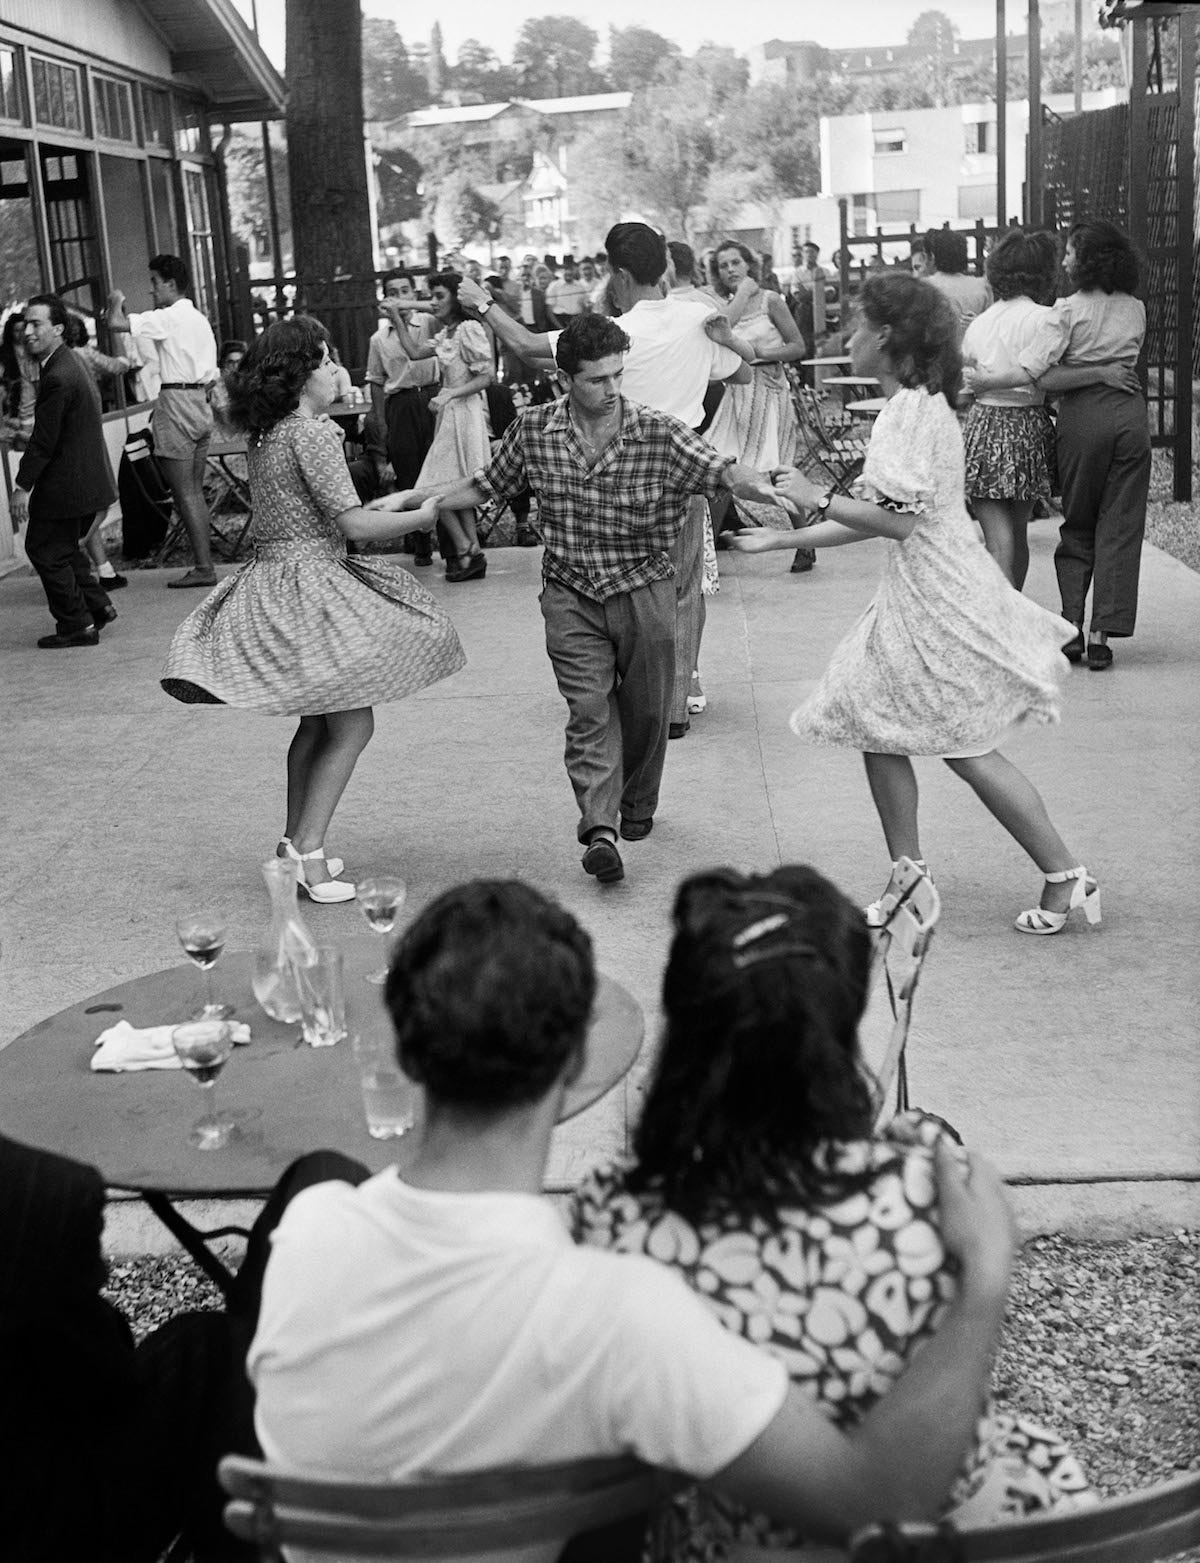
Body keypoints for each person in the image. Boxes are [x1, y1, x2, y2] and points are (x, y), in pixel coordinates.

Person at [248, 877, 1017, 1551]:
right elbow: (876, 1505)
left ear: (409, 1055)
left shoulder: (307, 1228)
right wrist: (983, 1277)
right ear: (578, 1063)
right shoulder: (617, 1314)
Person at [572, 863, 1093, 1560]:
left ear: (686, 1025)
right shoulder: (935, 1193)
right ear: (840, 1027)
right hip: (965, 1535)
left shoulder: (616, 1219)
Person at [730, 273, 1101, 937]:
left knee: (966, 745)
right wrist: (785, 535)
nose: (846, 337)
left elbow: (892, 520)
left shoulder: (910, 413)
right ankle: (914, 876)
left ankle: (1063, 875)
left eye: (855, 324)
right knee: (879, 723)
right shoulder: (914, 406)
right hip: (924, 591)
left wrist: (815, 496)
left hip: (937, 598)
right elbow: (882, 516)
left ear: (887, 338)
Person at [380, 313, 767, 884]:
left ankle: (636, 806)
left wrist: (769, 486)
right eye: (597, 379)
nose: (612, 390)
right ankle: (599, 829)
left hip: (645, 589)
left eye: (618, 376)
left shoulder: (658, 432)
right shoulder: (535, 430)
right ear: (564, 380)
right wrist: (422, 499)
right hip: (571, 594)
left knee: (648, 712)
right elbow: (487, 485)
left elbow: (726, 473)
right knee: (587, 711)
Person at [160, 316, 465, 900]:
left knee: (317, 719)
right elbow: (353, 523)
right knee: (353, 721)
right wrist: (422, 516)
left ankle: (291, 844)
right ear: (301, 377)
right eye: (326, 361)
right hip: (312, 586)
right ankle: (310, 855)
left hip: (275, 583)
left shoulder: (268, 433)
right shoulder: (313, 433)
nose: (336, 370)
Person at [0, 1127, 367, 1563]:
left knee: (215, 1339)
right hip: (47, 1526)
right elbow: (103, 1382)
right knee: (220, 1349)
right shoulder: (47, 1207)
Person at [454, 225, 753, 741]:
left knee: (625, 592)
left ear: (618, 273)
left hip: (623, 467)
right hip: (687, 467)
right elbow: (743, 373)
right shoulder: (696, 318)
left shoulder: (616, 335)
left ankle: (635, 697)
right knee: (683, 589)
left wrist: (482, 303)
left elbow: (526, 346)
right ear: (665, 265)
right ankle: (676, 701)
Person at [968, 219, 1150, 672]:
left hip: (1083, 419)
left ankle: (1070, 624)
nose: (1065, 260)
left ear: (1088, 259)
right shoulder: (1137, 309)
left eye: (1071, 251)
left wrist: (1090, 373)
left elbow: (1040, 375)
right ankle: (1103, 634)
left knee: (1080, 520)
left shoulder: (1065, 310)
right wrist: (1109, 371)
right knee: (1121, 525)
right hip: (1130, 417)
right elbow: (1124, 366)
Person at [10, 295, 117, 649]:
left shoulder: (58, 375)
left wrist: (22, 486)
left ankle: (77, 624)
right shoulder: (68, 363)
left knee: (43, 549)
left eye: (36, 324)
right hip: (83, 480)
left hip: (67, 483)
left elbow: (44, 441)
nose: (27, 331)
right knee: (63, 549)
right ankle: (96, 605)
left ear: (58, 328)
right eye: (25, 324)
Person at [107, 253, 220, 588]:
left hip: (176, 400)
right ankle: (205, 563)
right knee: (193, 491)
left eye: (155, 282)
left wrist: (116, 300)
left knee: (184, 492)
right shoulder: (199, 319)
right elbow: (211, 374)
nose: (152, 290)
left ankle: (203, 567)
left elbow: (115, 323)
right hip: (200, 400)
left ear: (171, 284)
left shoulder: (169, 317)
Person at [705, 240, 816, 575]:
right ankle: (705, 552)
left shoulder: (771, 300)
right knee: (720, 464)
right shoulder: (724, 307)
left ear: (748, 264)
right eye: (723, 266)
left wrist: (757, 353)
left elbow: (798, 346)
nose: (731, 270)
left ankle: (805, 541)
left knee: (779, 469)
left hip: (769, 390)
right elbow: (721, 334)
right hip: (737, 392)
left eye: (736, 262)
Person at [959, 229, 1060, 588]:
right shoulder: (1044, 319)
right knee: (1017, 531)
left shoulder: (980, 323)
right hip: (1027, 424)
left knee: (995, 538)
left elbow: (967, 380)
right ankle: (1012, 608)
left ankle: (997, 615)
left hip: (985, 422)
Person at [385, 270, 494, 582]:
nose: (434, 303)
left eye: (439, 296)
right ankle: (471, 551)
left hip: (464, 410)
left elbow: (486, 377)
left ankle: (464, 548)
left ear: (456, 299)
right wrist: (399, 316)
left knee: (434, 486)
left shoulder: (470, 328)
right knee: (453, 483)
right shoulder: (448, 334)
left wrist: (450, 393)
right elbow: (415, 352)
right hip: (449, 413)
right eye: (431, 296)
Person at [63, 313, 137, 590]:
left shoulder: (54, 360)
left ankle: (105, 571)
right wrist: (121, 342)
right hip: (89, 432)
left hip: (69, 437)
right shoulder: (84, 354)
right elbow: (119, 366)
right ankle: (69, 549)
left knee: (85, 506)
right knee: (103, 502)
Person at [921, 228, 993, 339]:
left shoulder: (925, 287)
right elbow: (991, 326)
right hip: (975, 350)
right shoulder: (982, 286)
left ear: (934, 256)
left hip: (942, 353)